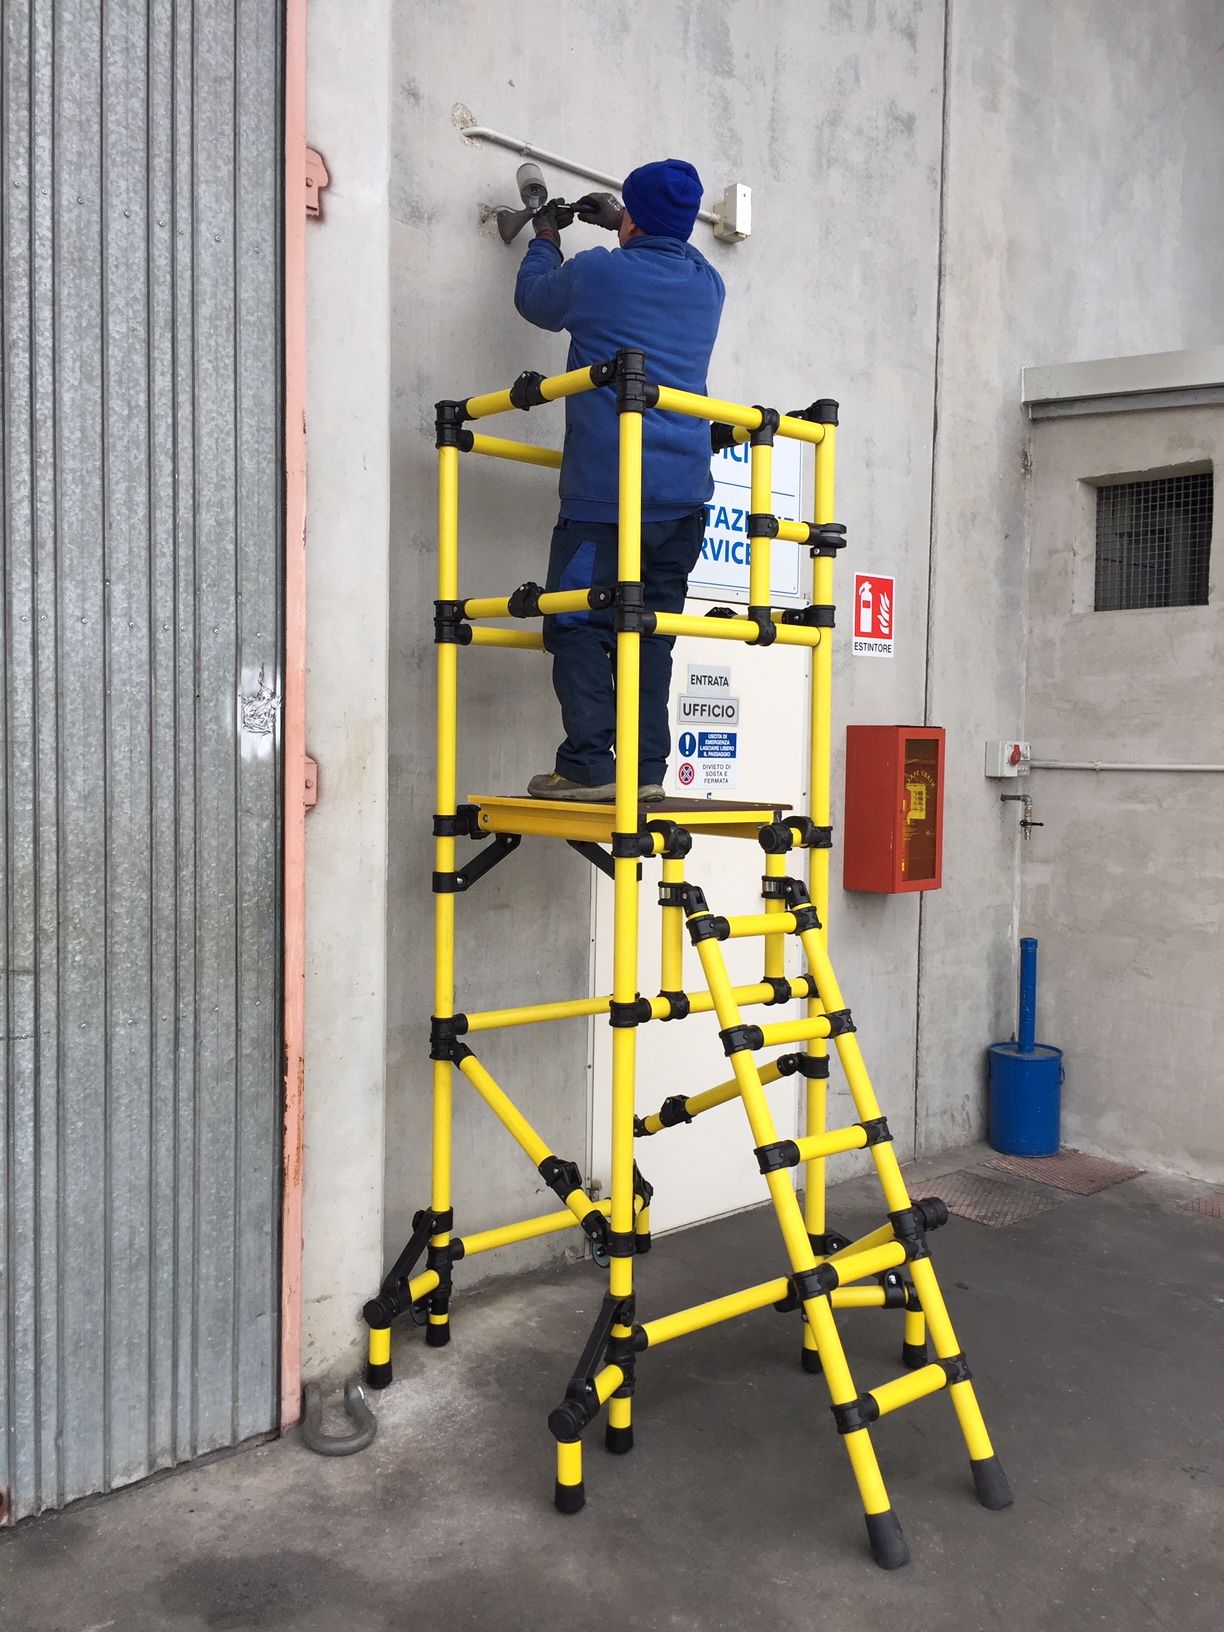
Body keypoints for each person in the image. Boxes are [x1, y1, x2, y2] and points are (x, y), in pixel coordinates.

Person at [514, 159, 725, 802]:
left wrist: (545, 237)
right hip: (683, 500)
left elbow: (536, 299)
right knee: (649, 631)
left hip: (607, 498)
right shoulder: (708, 283)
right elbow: (662, 251)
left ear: (628, 216)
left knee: (577, 621)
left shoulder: (602, 273)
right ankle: (645, 770)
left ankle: (586, 765)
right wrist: (624, 226)